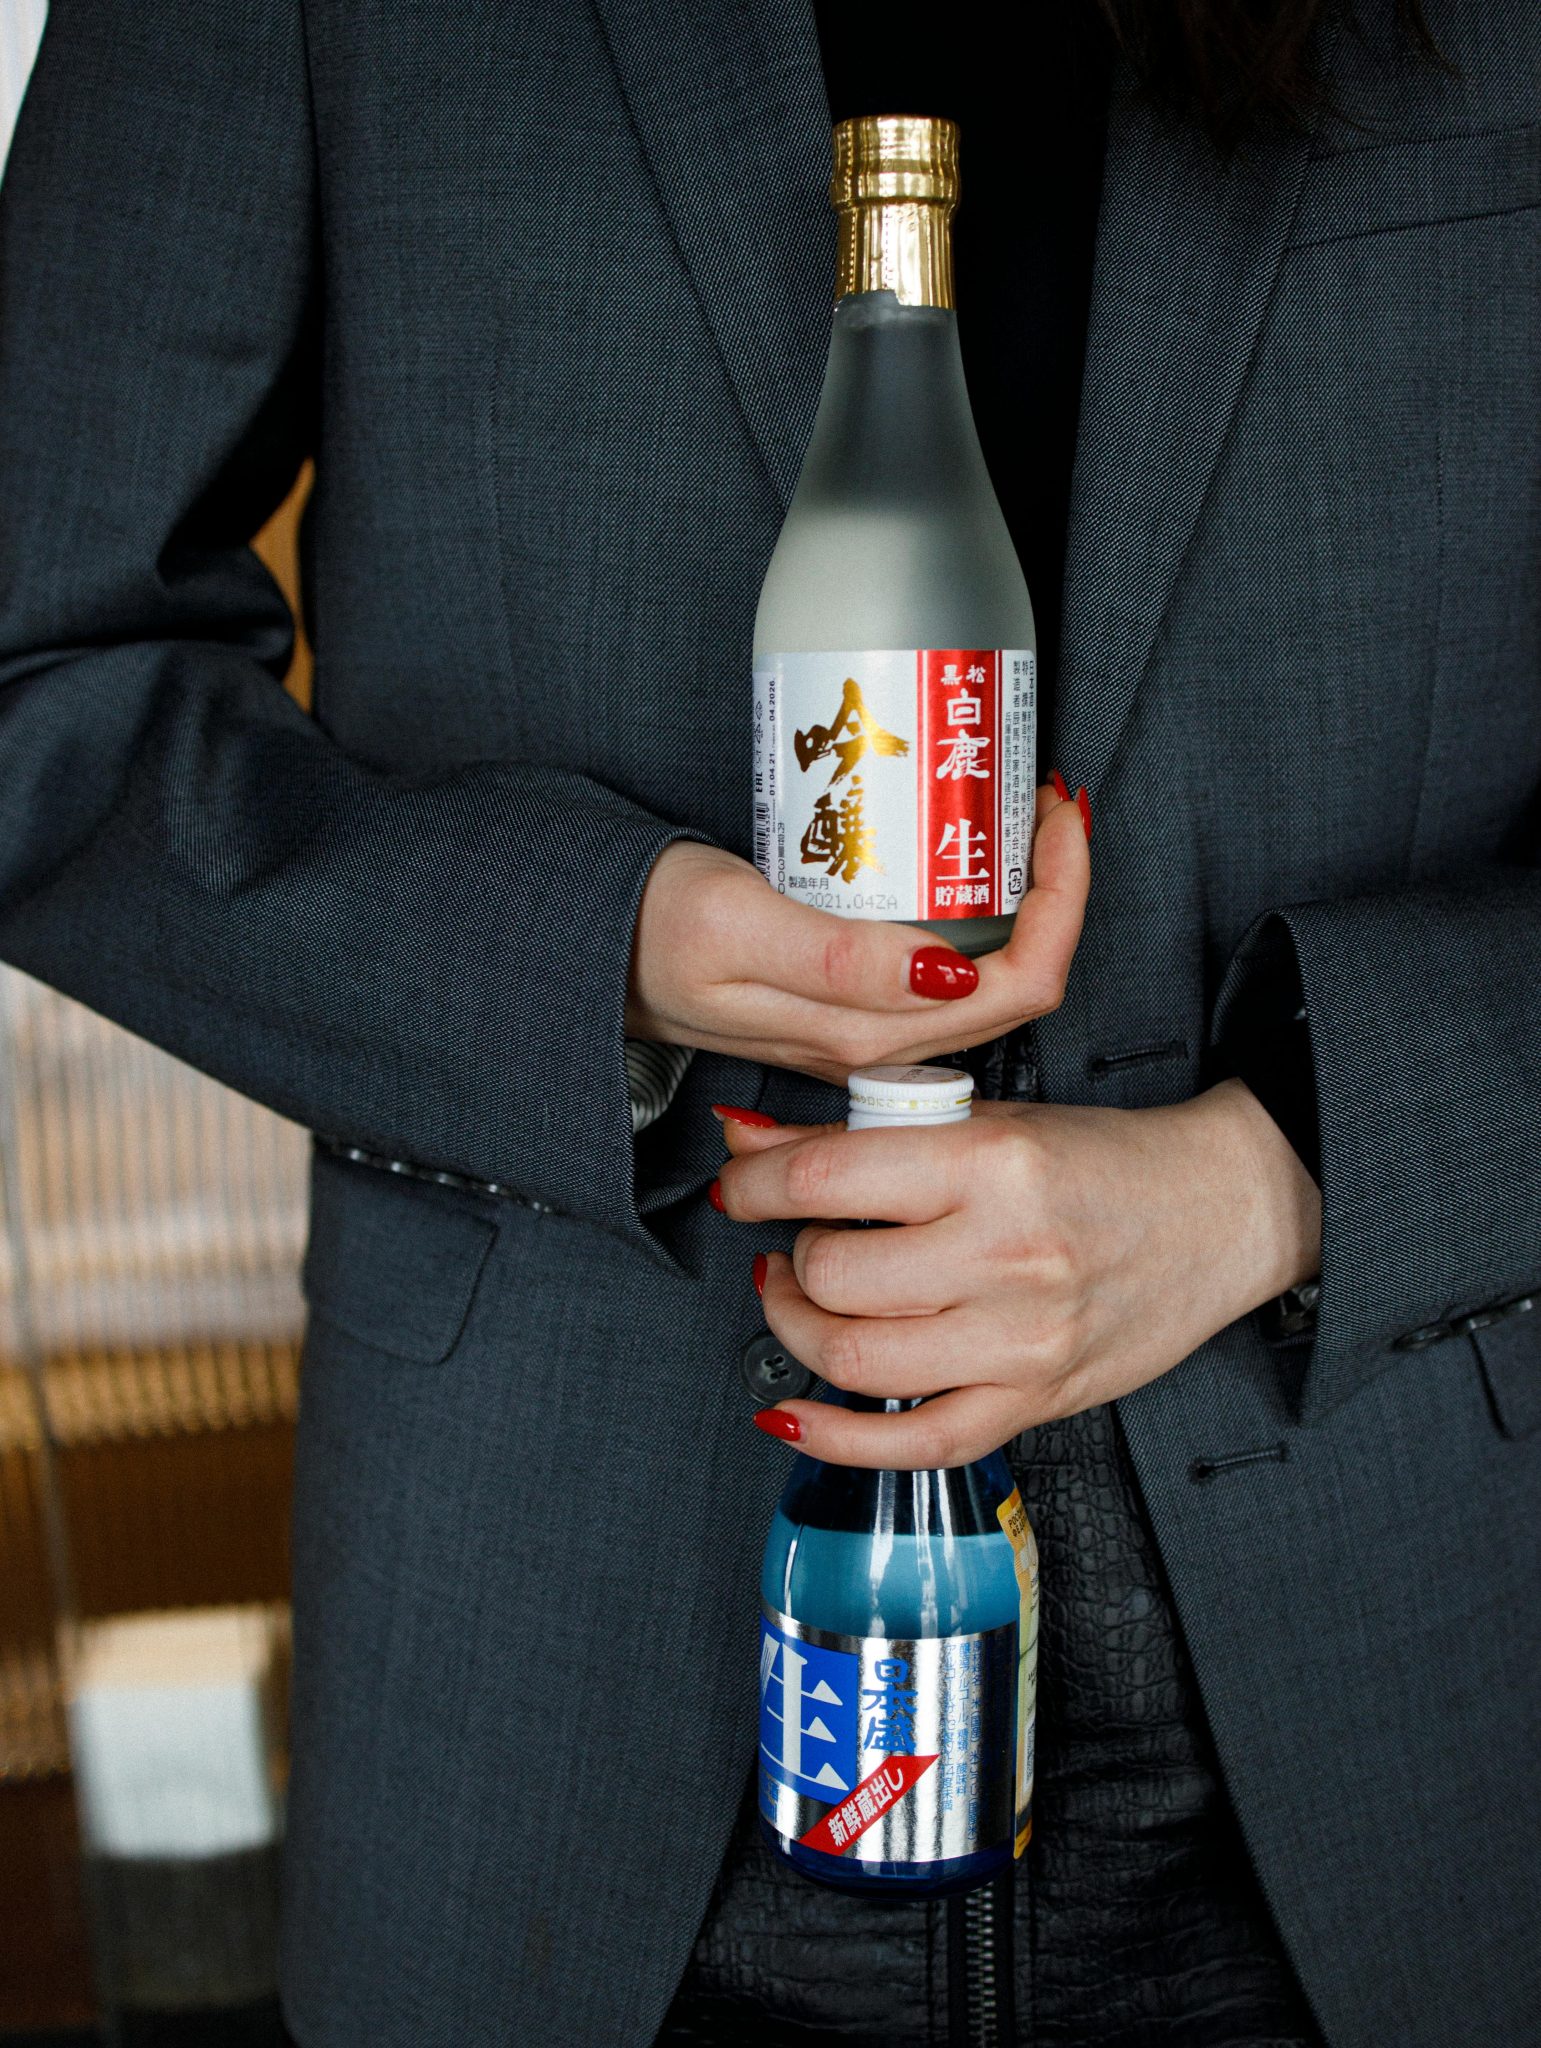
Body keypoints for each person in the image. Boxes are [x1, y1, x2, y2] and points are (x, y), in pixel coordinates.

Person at [1, 2, 1536, 2044]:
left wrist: (1294, 1173)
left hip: (1405, 1720)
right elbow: (40, 673)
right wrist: (592, 955)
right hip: (554, 1707)